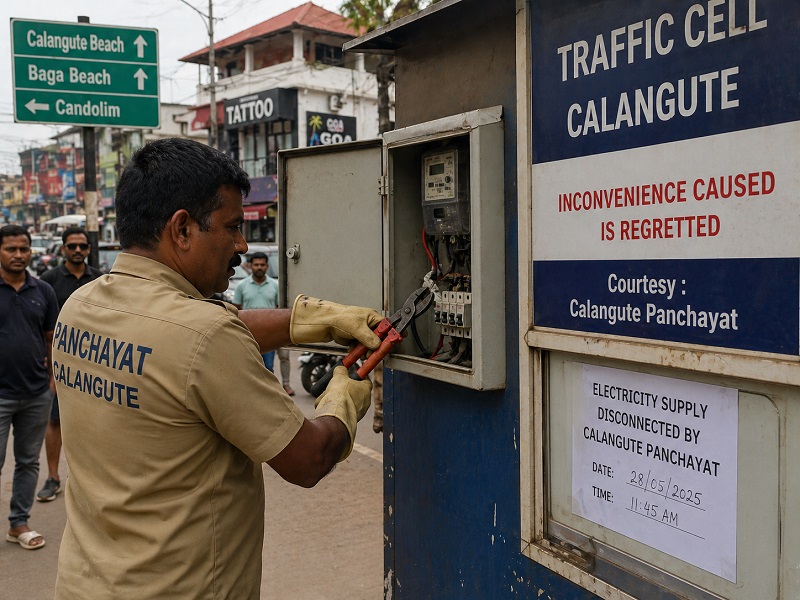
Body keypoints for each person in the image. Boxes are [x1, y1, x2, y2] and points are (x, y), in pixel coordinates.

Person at [52, 137, 382, 599]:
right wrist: (344, 395)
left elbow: (193, 336)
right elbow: (309, 459)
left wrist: (312, 320)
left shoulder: (80, 305)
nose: (242, 246)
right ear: (182, 229)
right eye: (232, 227)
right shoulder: (201, 335)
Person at [0, 225, 59, 551]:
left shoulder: (43, 291)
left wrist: (51, 381)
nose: (19, 255)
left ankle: (18, 523)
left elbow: (50, 339)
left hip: (36, 392)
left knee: (28, 461)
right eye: (11, 249)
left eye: (24, 249)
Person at [36, 227, 102, 502]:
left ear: (88, 249)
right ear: (63, 249)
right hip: (60, 365)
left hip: (99, 362)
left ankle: (95, 480)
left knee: (100, 422)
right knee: (56, 421)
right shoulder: (48, 280)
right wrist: (49, 366)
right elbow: (41, 326)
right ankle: (53, 477)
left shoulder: (101, 279)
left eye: (82, 246)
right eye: (72, 246)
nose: (77, 250)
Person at [233, 251, 296, 395]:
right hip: (249, 333)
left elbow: (280, 309)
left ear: (267, 266)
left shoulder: (275, 285)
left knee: (271, 364)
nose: (259, 267)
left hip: (271, 331)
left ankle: (280, 388)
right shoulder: (242, 286)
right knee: (250, 363)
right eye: (256, 265)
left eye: (262, 265)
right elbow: (236, 309)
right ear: (250, 266)